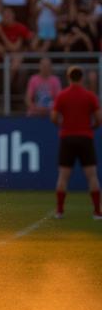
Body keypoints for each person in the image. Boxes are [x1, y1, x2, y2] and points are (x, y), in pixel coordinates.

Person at [50, 66, 101, 220]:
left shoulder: (62, 96)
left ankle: (59, 211)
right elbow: (99, 118)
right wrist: (92, 127)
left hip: (67, 138)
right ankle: (97, 212)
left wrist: (63, 125)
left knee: (63, 176)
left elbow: (53, 117)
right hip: (86, 137)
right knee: (92, 176)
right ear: (82, 78)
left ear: (68, 77)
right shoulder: (90, 96)